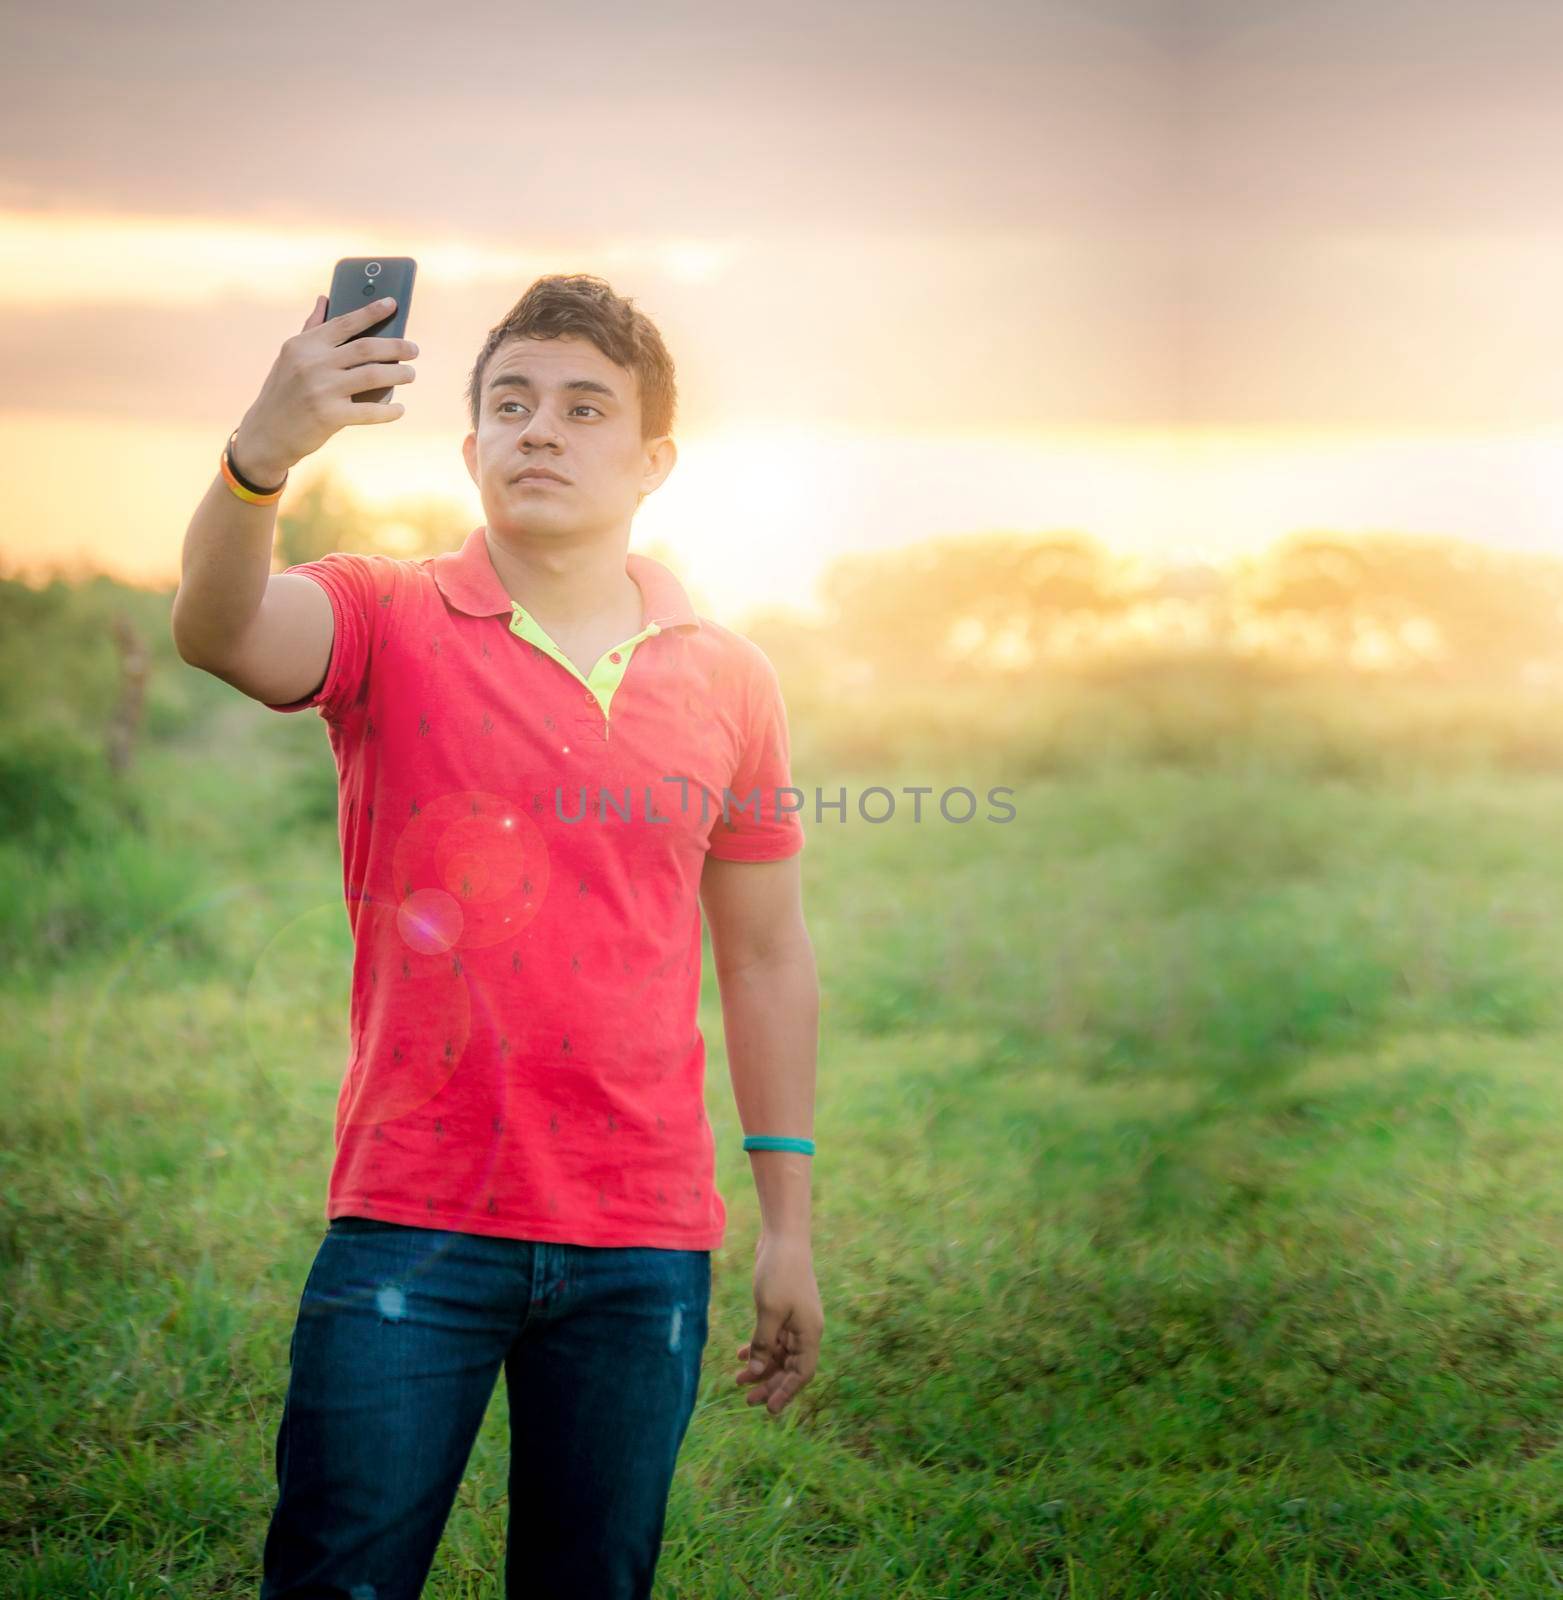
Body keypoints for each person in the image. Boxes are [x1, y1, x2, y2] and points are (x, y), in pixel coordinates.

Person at [170, 273, 825, 1600]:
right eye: (512, 404)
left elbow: (763, 957)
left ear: (653, 463)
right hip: (411, 1220)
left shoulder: (731, 676)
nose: (542, 430)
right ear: (469, 451)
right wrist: (260, 457)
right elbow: (220, 629)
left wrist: (787, 1225)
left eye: (586, 409)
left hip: (643, 1242)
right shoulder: (384, 614)